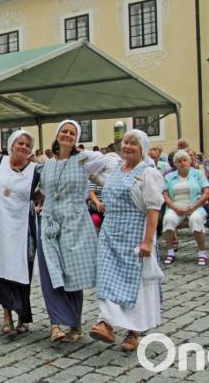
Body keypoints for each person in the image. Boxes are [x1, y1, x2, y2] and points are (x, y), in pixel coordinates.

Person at [37, 120, 115, 343]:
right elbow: (44, 191)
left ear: (77, 139)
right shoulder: (48, 164)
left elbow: (108, 161)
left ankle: (74, 325)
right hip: (50, 222)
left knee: (71, 275)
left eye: (72, 133)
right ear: (57, 134)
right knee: (50, 272)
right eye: (65, 131)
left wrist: (85, 158)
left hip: (74, 222)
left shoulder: (83, 160)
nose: (68, 135)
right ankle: (55, 324)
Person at [89, 130, 164, 352]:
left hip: (134, 234)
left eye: (133, 143)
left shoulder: (148, 173)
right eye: (126, 143)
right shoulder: (114, 169)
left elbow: (153, 209)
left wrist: (148, 241)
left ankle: (134, 331)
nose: (128, 147)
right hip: (110, 233)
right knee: (106, 277)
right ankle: (106, 323)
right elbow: (93, 174)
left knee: (135, 284)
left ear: (142, 149)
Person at [0, 130, 40, 335]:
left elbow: (46, 190)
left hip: (23, 228)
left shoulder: (36, 170)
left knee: (22, 271)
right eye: (20, 143)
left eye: (27, 145)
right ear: (12, 144)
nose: (23, 147)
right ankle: (7, 318)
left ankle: (23, 318)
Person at [161, 150, 209, 266]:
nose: (182, 163)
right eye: (179, 161)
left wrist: (194, 206)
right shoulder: (169, 177)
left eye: (185, 160)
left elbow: (206, 192)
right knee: (168, 219)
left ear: (189, 162)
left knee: (196, 219)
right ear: (175, 164)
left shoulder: (198, 174)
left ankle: (202, 252)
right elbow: (165, 195)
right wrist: (174, 207)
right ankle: (170, 251)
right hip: (176, 207)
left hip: (195, 205)